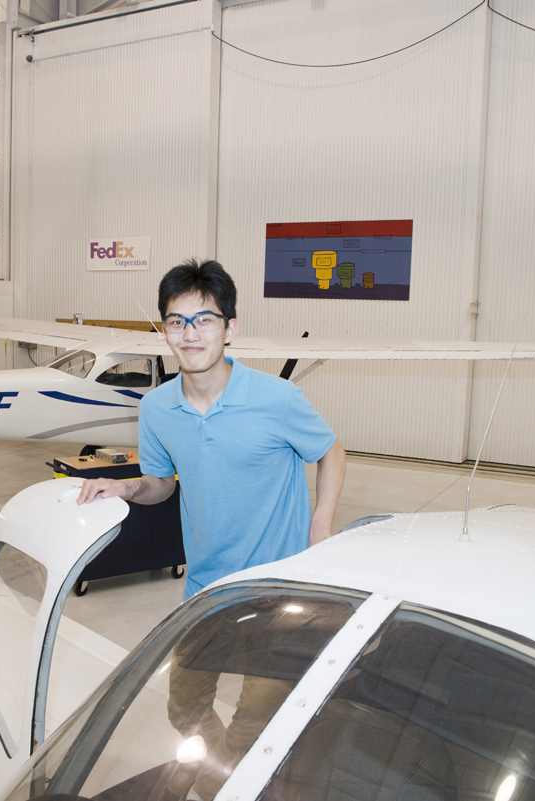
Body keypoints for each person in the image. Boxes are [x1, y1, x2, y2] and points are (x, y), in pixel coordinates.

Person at [77, 259, 346, 798]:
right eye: (177, 321)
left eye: (204, 319)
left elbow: (331, 451)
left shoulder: (277, 399)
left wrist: (320, 531)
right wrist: (127, 487)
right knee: (185, 708)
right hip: (205, 590)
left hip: (278, 594)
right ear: (164, 331)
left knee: (253, 722)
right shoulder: (157, 408)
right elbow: (162, 483)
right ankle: (228, 782)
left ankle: (229, 783)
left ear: (230, 328)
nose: (190, 333)